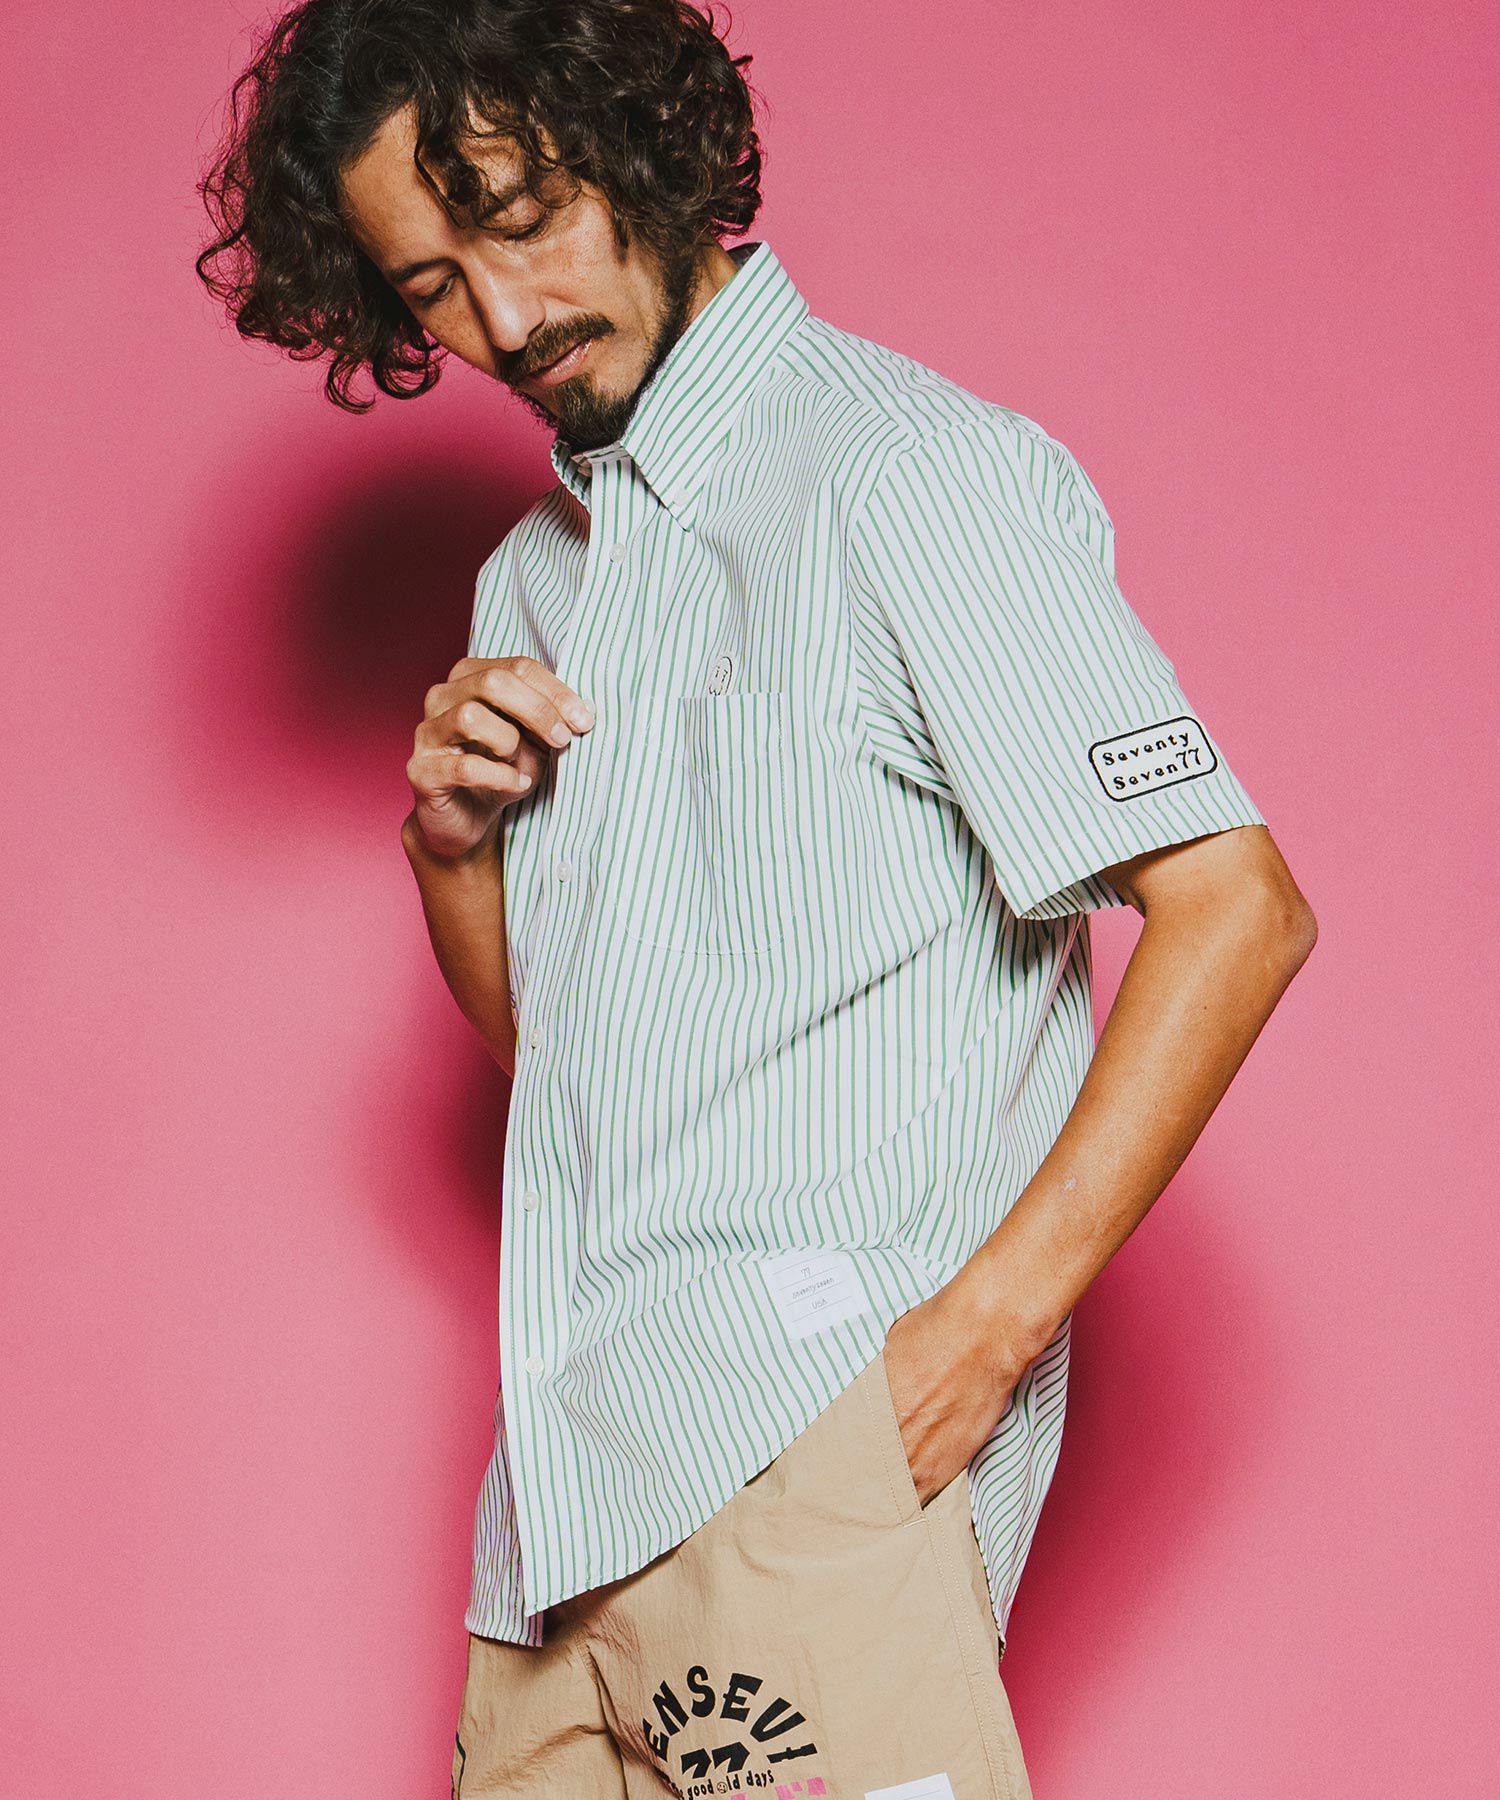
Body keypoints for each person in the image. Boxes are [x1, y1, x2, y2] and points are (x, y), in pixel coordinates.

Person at [196, 3, 1318, 1793]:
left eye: (525, 219)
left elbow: (1237, 907)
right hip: (560, 1507)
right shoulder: (535, 583)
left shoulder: (901, 475)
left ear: (639, 146)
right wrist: (455, 847)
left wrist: (982, 1338)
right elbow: (572, 1066)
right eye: (431, 287)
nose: (507, 320)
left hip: (808, 1447)